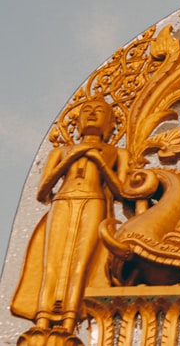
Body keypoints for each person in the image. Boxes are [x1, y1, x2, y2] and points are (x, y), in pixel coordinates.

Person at [12, 97, 130, 345]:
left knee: (81, 265)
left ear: (111, 123)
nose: (92, 114)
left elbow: (120, 192)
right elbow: (43, 193)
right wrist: (70, 158)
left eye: (100, 111)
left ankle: (69, 320)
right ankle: (43, 319)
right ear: (77, 121)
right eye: (87, 111)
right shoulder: (61, 151)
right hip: (62, 202)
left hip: (94, 201)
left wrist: (99, 161)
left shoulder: (116, 152)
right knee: (52, 263)